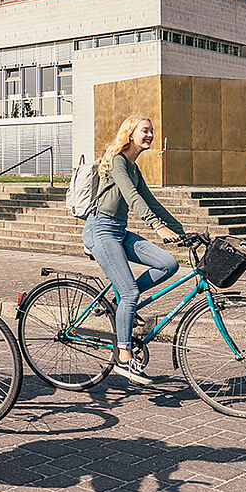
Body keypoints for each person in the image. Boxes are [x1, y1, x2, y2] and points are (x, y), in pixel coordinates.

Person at [82, 114, 186, 386]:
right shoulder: (117, 161)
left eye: (152, 130)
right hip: (100, 229)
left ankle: (125, 307)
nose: (150, 134)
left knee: (168, 264)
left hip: (118, 230)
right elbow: (132, 197)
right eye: (145, 130)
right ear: (130, 134)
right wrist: (157, 227)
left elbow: (152, 201)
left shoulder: (134, 169)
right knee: (129, 291)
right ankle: (124, 358)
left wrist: (183, 232)